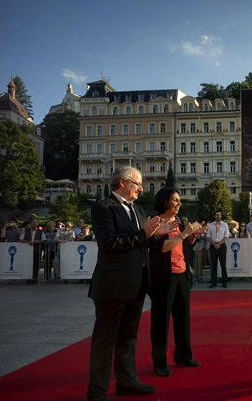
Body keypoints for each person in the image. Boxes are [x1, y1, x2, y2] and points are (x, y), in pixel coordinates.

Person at [86, 166, 175, 401]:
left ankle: (127, 382)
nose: (141, 189)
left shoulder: (138, 209)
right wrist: (144, 234)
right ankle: (97, 390)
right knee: (105, 341)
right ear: (124, 182)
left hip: (136, 284)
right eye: (138, 184)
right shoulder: (102, 207)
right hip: (112, 285)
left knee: (128, 338)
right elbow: (108, 243)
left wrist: (157, 235)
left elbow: (143, 244)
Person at [148, 188, 206, 377]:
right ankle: (159, 361)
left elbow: (182, 244)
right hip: (165, 275)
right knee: (161, 321)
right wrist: (184, 234)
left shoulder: (178, 221)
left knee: (183, 318)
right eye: (175, 200)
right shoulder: (155, 222)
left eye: (179, 200)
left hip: (182, 274)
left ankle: (183, 355)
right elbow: (162, 247)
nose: (179, 204)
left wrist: (193, 235)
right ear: (165, 202)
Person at [206, 211, 230, 288]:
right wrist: (214, 244)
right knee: (213, 264)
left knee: (223, 264)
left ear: (221, 216)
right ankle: (214, 281)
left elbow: (226, 236)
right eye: (217, 215)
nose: (218, 216)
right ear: (214, 216)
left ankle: (224, 281)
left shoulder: (225, 225)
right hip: (213, 245)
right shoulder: (211, 225)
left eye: (219, 215)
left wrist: (219, 244)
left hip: (221, 245)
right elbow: (208, 236)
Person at [20, 219, 46, 284]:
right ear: (31, 223)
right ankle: (28, 278)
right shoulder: (25, 230)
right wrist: (27, 242)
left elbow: (44, 239)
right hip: (27, 250)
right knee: (28, 264)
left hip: (37, 249)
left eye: (36, 223)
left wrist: (38, 241)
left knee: (36, 265)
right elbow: (20, 239)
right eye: (33, 222)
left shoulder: (41, 231)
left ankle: (35, 278)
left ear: (38, 224)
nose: (35, 224)